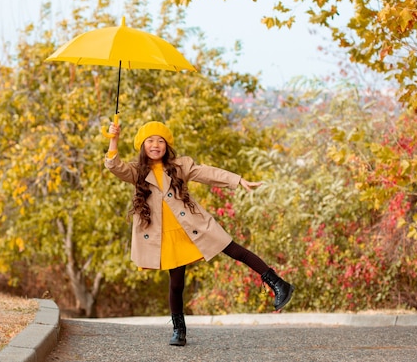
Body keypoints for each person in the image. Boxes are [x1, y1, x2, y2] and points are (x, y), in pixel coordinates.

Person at [104, 120, 294, 346]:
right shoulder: (137, 172)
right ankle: (179, 330)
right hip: (167, 236)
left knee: (235, 251)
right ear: (142, 146)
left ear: (167, 145)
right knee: (176, 285)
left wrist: (237, 179)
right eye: (150, 140)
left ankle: (278, 284)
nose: (156, 145)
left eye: (161, 140)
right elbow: (114, 165)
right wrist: (114, 139)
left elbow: (207, 173)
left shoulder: (180, 166)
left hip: (194, 227)